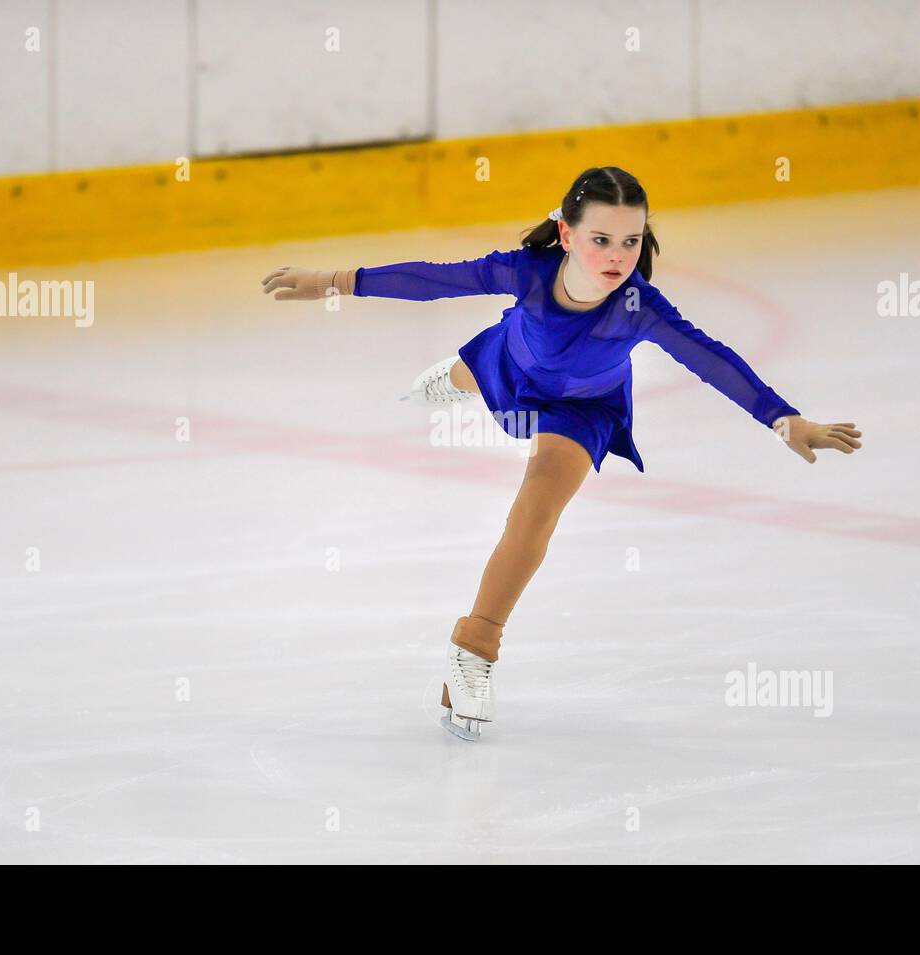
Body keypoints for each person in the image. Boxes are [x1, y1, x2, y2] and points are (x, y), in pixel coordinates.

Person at [262, 166, 863, 741]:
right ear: (567, 234)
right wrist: (334, 281)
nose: (616, 256)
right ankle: (458, 377)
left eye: (631, 241)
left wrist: (782, 418)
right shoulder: (529, 271)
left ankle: (472, 652)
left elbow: (709, 357)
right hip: (509, 362)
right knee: (477, 369)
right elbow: (436, 279)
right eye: (600, 239)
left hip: (582, 409)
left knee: (535, 515)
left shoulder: (640, 307)